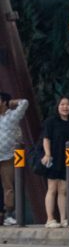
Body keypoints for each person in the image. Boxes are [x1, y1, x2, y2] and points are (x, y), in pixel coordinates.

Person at [40, 97, 69, 228]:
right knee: (52, 188)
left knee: (63, 190)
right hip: (54, 158)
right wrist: (47, 154)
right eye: (62, 104)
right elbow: (46, 139)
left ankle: (64, 218)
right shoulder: (51, 121)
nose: (65, 107)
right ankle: (50, 219)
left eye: (68, 104)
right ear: (57, 107)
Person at [0, 92, 29, 226]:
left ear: (4, 102)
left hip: (8, 156)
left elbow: (24, 103)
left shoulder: (12, 116)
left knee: (8, 186)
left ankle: (8, 214)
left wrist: (12, 102)